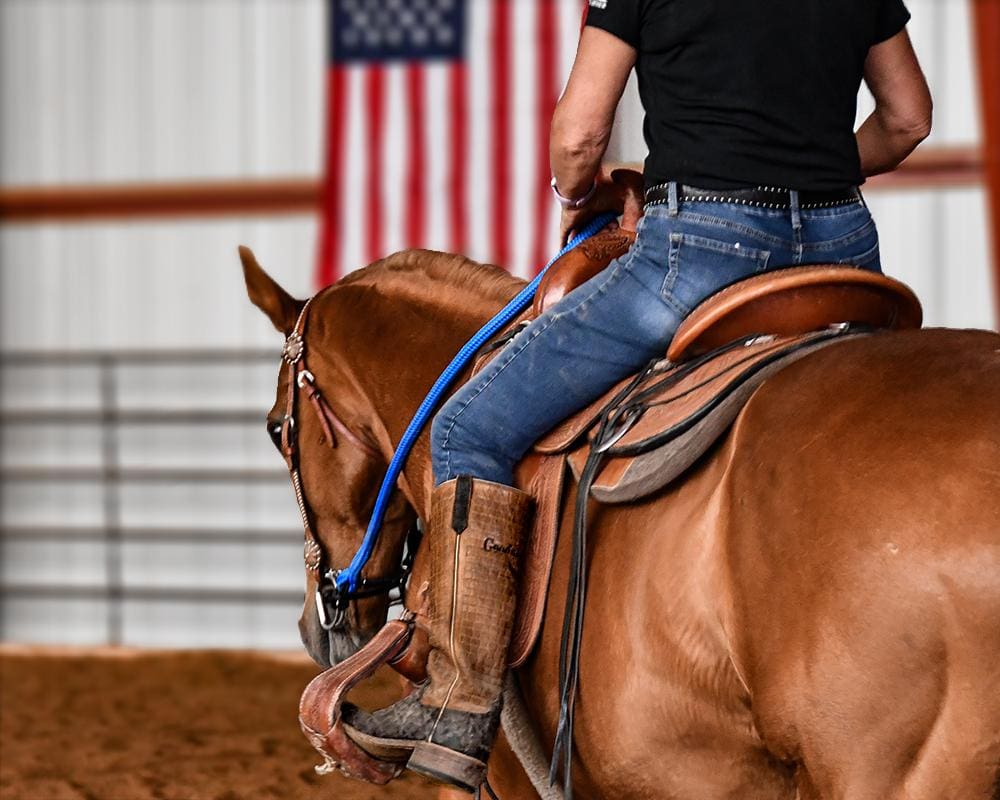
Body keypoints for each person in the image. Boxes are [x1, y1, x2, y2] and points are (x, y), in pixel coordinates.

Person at [343, 0, 933, 791]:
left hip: (700, 254)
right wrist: (813, 174)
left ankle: (459, 700)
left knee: (469, 429)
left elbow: (580, 133)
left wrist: (576, 190)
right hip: (844, 248)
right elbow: (907, 119)